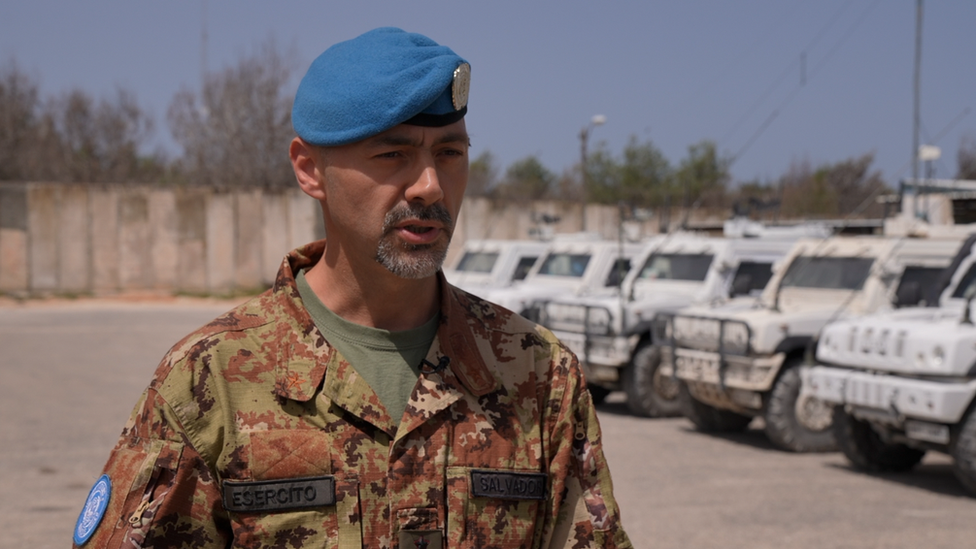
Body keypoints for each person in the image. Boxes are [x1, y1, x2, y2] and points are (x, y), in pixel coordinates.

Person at [72, 27, 632, 549]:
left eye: (449, 152)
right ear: (310, 169)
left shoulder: (539, 375)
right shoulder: (211, 380)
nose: (430, 184)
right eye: (393, 154)